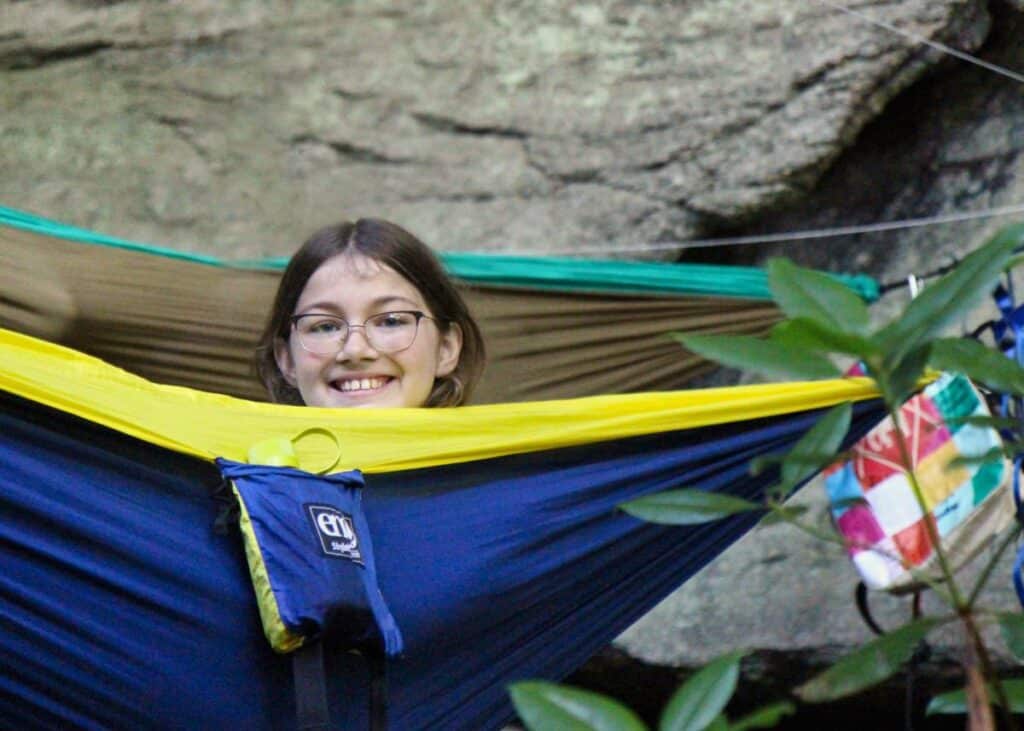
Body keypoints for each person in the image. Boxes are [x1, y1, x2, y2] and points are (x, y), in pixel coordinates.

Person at [255, 218, 485, 408]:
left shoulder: (507, 461)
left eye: (391, 321)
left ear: (446, 348)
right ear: (287, 361)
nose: (355, 351)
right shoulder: (238, 463)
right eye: (325, 326)